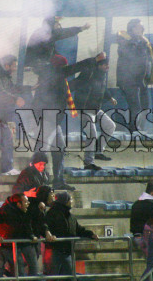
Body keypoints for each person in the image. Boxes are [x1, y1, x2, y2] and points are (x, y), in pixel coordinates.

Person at [32, 53, 105, 191]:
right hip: (47, 119)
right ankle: (34, 181)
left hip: (54, 120)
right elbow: (74, 68)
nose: (66, 68)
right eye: (64, 66)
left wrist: (88, 73)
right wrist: (94, 60)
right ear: (58, 67)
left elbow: (74, 84)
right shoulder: (54, 74)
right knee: (41, 151)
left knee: (59, 149)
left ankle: (58, 181)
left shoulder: (58, 79)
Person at [113, 18, 153, 132]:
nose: (143, 29)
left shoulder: (143, 40)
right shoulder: (124, 39)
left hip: (142, 81)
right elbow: (131, 54)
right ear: (132, 28)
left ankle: (139, 129)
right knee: (136, 107)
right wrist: (141, 41)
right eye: (139, 27)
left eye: (142, 27)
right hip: (129, 80)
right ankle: (134, 131)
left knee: (145, 108)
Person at [71, 56, 118, 170]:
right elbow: (75, 84)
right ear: (99, 65)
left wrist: (110, 97)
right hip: (84, 109)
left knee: (110, 126)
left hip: (96, 109)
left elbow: (103, 88)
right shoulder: (89, 73)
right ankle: (88, 162)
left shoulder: (102, 76)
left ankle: (98, 151)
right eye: (105, 64)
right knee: (92, 134)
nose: (107, 67)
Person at [44, 192, 98, 281]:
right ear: (65, 201)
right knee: (55, 278)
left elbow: (79, 229)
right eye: (70, 199)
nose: (72, 201)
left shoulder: (71, 216)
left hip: (67, 252)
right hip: (55, 252)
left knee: (66, 278)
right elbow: (45, 227)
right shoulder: (52, 213)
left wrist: (90, 234)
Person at [0, 193, 37, 281]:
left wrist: (31, 236)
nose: (28, 203)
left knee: (19, 272)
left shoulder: (25, 211)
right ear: (18, 204)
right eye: (25, 202)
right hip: (4, 246)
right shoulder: (5, 211)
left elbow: (27, 225)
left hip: (16, 247)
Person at [25, 16, 90, 72]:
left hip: (36, 62)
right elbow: (66, 32)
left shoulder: (44, 32)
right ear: (51, 24)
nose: (58, 25)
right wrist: (81, 28)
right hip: (35, 64)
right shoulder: (48, 33)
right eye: (56, 23)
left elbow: (49, 49)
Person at [130, 181, 153, 256]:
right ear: (152, 193)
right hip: (148, 238)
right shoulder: (152, 206)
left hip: (136, 236)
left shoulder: (136, 204)